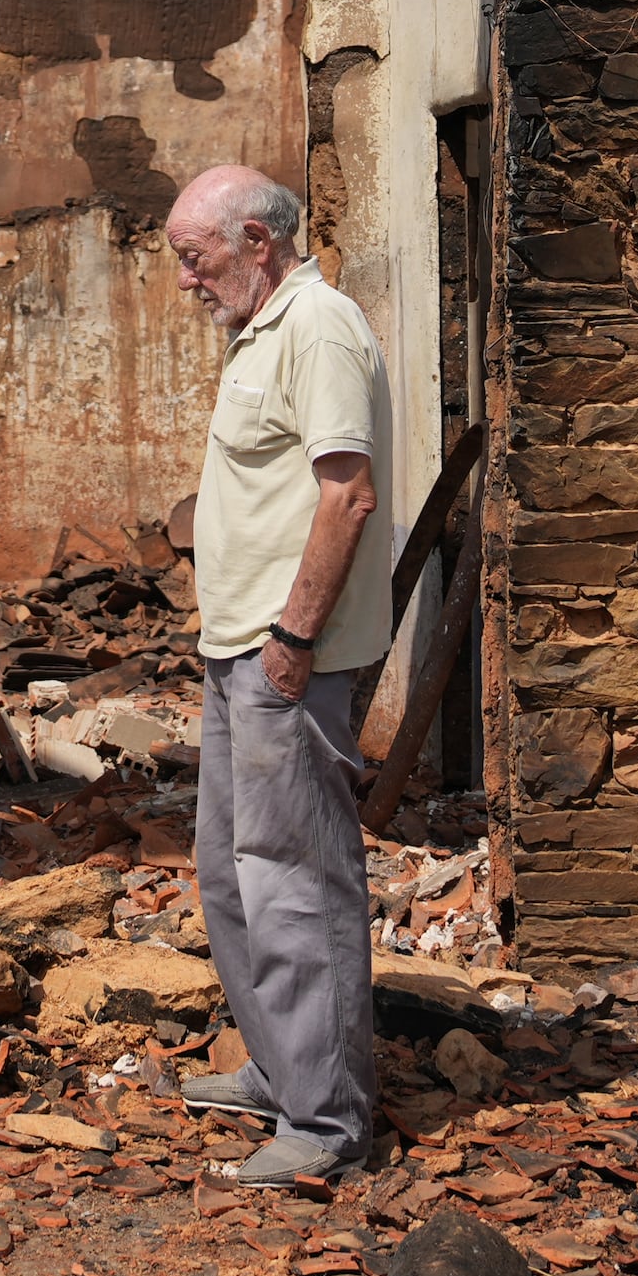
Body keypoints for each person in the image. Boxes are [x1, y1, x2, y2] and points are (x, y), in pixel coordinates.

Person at [156, 160, 390, 1189]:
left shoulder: (318, 327)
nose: (185, 282)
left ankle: (325, 1124)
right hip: (238, 648)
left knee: (295, 884)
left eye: (193, 260)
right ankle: (280, 1069)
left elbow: (346, 497)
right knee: (229, 878)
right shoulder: (261, 329)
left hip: (284, 655)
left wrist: (293, 639)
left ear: (257, 241)